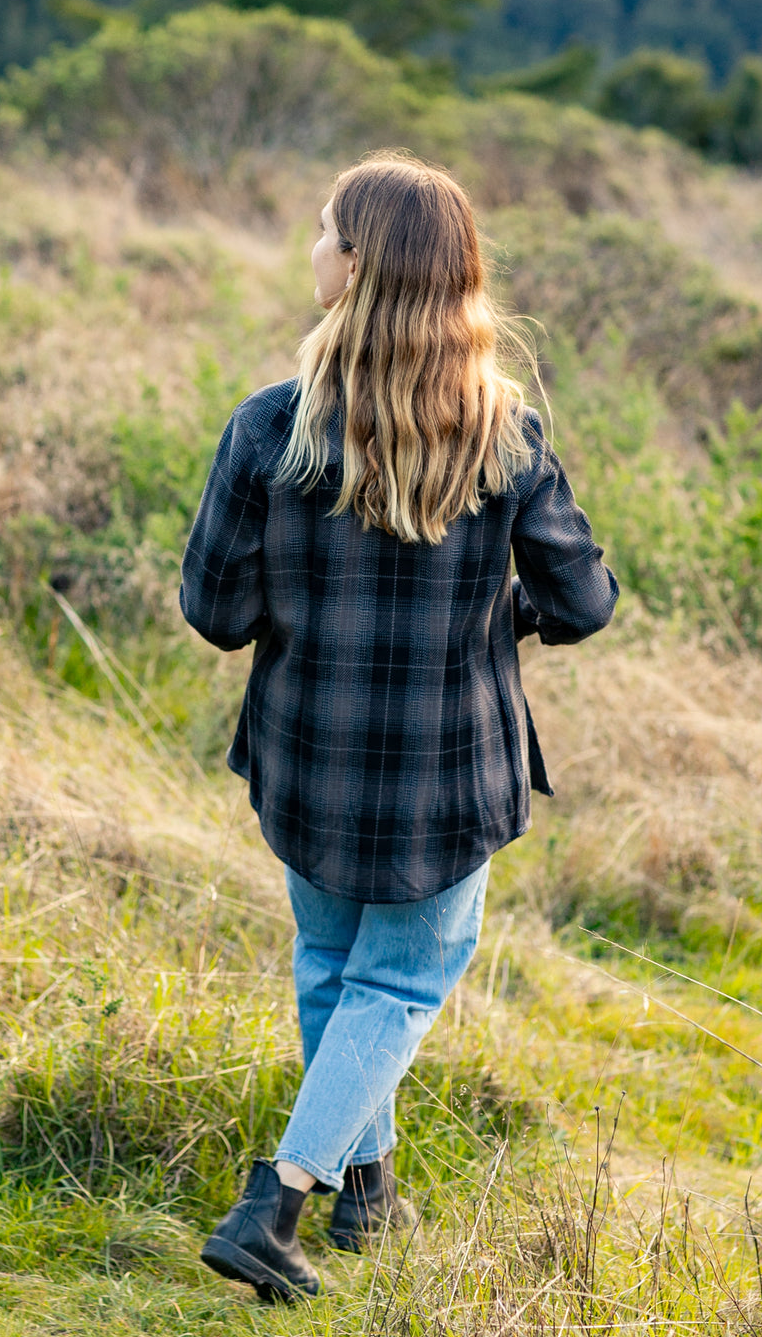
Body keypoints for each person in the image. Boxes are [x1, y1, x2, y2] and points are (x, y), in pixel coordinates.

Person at [179, 152, 618, 1303]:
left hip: (306, 759)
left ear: (356, 264)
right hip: (445, 773)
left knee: (334, 964)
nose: (309, 246)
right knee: (396, 985)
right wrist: (492, 618)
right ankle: (276, 1202)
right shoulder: (502, 433)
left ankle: (363, 1185)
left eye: (322, 229)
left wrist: (307, 603)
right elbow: (583, 601)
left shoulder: (269, 426)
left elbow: (213, 612)